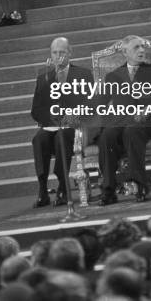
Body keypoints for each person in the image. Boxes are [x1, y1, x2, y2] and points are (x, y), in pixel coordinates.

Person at [97, 35, 151, 205]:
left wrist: (149, 108)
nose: (141, 50)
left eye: (142, 47)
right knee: (107, 135)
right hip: (121, 121)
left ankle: (141, 185)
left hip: (146, 123)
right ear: (125, 52)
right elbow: (100, 102)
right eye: (136, 48)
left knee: (132, 131)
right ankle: (108, 190)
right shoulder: (113, 76)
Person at [31, 36, 93, 208]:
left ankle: (63, 186)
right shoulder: (44, 78)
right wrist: (50, 118)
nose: (58, 56)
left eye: (62, 52)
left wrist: (75, 116)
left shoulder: (84, 74)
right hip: (52, 125)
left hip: (74, 126)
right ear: (50, 55)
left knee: (62, 135)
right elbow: (35, 110)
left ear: (70, 53)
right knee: (39, 139)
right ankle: (42, 188)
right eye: (55, 53)